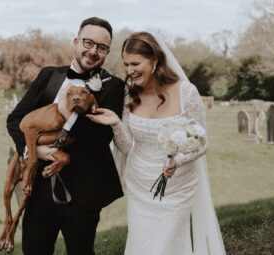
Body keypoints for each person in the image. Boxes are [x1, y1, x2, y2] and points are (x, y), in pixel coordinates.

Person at [87, 32, 226, 254]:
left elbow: (202, 142)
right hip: (139, 184)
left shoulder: (186, 92)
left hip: (177, 186)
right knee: (143, 245)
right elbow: (126, 146)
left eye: (135, 63)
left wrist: (177, 161)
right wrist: (115, 123)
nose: (129, 70)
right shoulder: (129, 93)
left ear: (154, 61)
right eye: (126, 64)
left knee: (166, 246)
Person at [6, 17, 125, 255]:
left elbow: (101, 139)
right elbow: (15, 119)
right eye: (88, 43)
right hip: (38, 190)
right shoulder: (49, 76)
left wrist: (71, 106)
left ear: (107, 52)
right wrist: (33, 151)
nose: (93, 51)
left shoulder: (113, 86)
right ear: (76, 41)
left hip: (84, 193)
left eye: (101, 47)